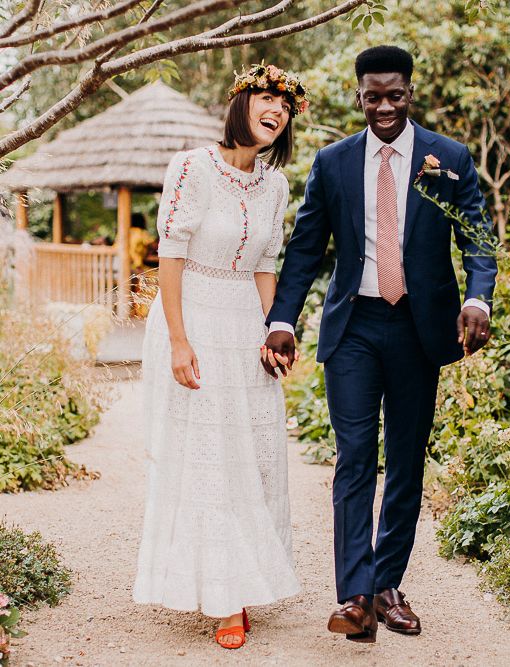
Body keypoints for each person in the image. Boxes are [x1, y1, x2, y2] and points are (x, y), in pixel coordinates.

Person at [262, 45, 497, 642]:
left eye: (395, 95)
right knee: (355, 456)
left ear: (409, 93)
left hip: (420, 329)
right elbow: (306, 250)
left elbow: (475, 233)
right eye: (373, 96)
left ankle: (389, 583)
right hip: (355, 328)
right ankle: (356, 597)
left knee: (407, 459)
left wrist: (477, 298)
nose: (385, 106)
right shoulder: (334, 163)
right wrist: (281, 320)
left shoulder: (449, 157)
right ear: (358, 94)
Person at [133, 64, 308, 650]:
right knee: (208, 459)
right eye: (267, 99)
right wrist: (180, 341)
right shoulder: (190, 167)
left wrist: (275, 332)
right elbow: (171, 257)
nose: (276, 112)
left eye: (284, 108)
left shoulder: (276, 184)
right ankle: (223, 599)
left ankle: (240, 576)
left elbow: (265, 265)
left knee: (253, 457)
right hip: (194, 317)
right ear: (241, 103)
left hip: (245, 324)